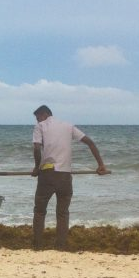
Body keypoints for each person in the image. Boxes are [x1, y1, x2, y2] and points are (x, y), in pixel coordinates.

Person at [30, 105, 109, 250]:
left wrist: (36, 168)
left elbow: (36, 148)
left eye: (37, 117)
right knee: (62, 212)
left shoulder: (40, 126)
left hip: (47, 174)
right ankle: (61, 246)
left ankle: (38, 246)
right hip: (65, 176)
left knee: (40, 211)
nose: (37, 121)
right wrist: (101, 165)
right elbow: (90, 142)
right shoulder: (68, 126)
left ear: (44, 114)